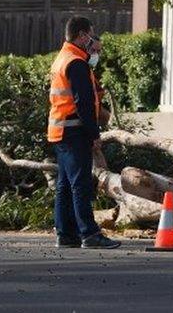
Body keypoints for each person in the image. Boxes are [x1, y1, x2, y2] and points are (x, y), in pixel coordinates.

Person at [48, 16, 120, 249]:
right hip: (74, 130)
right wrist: (94, 134)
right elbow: (84, 104)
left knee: (65, 184)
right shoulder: (76, 63)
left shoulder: (64, 58)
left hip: (61, 130)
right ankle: (89, 233)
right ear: (81, 35)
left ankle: (65, 233)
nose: (92, 39)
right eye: (90, 34)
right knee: (81, 184)